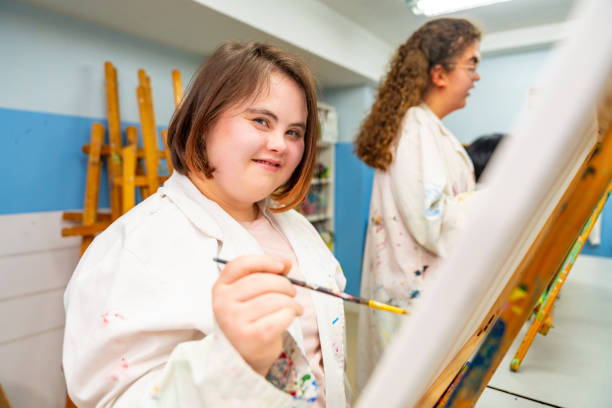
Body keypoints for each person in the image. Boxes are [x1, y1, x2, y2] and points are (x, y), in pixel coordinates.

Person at [63, 42, 348, 407]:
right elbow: (113, 401)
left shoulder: (296, 227)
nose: (280, 144)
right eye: (262, 121)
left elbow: (323, 361)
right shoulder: (133, 246)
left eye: (294, 132)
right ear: (205, 120)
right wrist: (232, 359)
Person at [354, 18, 482, 390]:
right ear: (440, 74)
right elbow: (434, 223)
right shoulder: (415, 129)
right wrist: (497, 198)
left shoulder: (427, 130)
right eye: (472, 64)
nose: (477, 76)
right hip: (413, 307)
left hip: (418, 300)